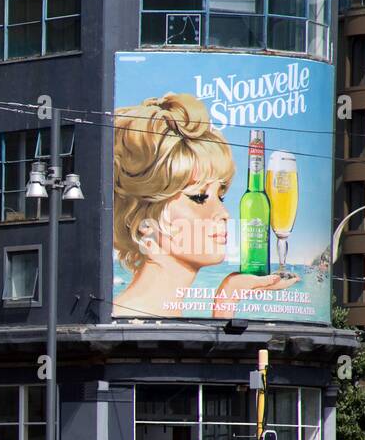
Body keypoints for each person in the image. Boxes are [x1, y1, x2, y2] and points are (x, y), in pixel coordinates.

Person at [112, 92, 296, 320]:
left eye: (221, 196)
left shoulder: (157, 313)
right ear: (143, 223)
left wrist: (228, 295)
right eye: (199, 197)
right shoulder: (125, 318)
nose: (224, 214)